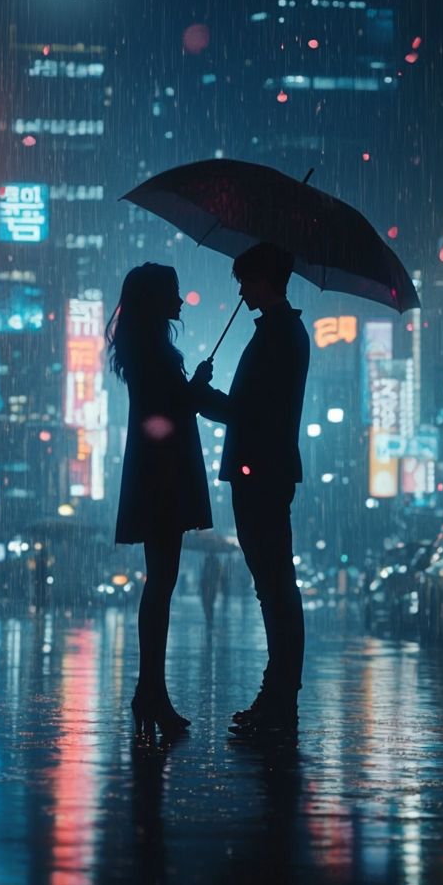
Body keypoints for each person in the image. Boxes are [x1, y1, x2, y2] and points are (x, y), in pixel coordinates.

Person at [195, 243, 310, 738]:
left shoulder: (278, 335)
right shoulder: (279, 332)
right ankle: (277, 695)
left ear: (266, 279)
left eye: (246, 280)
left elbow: (247, 411)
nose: (240, 291)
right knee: (273, 585)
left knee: (274, 586)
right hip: (265, 470)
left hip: (260, 472)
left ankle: (280, 698)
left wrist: (200, 395)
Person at [108, 263, 214, 739]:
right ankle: (151, 691)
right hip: (163, 474)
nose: (180, 299)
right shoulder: (153, 350)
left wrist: (193, 387)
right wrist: (199, 386)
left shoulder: (144, 346)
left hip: (156, 472)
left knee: (162, 583)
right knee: (161, 584)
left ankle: (150, 690)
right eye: (172, 291)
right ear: (156, 299)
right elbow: (169, 410)